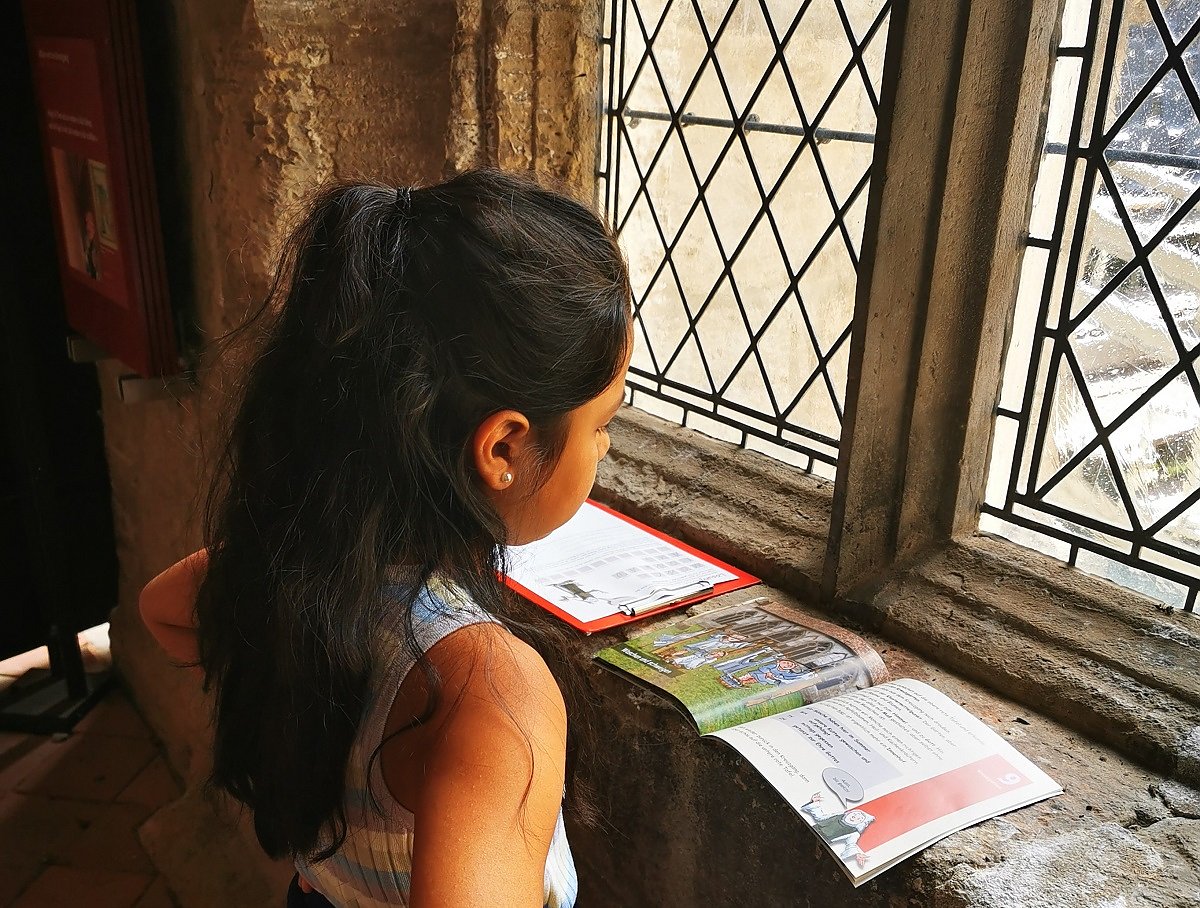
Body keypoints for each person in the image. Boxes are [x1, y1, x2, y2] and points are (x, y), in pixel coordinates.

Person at [138, 170, 633, 907]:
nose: (605, 449)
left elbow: (163, 607)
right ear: (503, 448)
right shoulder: (494, 694)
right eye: (602, 424)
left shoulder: (314, 574)